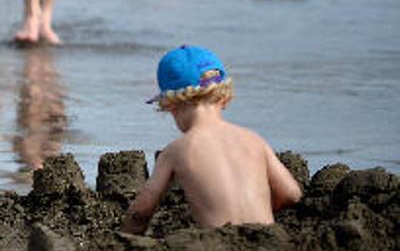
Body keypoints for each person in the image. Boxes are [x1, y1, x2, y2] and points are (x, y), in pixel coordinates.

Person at [123, 45, 303, 234]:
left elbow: (141, 211)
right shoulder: (254, 140)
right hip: (269, 242)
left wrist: (124, 238)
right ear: (224, 97)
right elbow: (291, 194)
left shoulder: (176, 150)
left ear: (171, 104)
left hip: (218, 244)